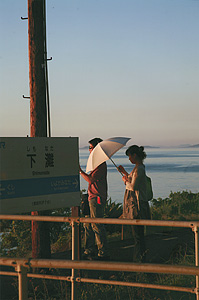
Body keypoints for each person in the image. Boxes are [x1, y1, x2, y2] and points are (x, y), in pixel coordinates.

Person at [118, 145, 151, 262]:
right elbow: (133, 181)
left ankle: (139, 259)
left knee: (138, 235)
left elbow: (133, 186)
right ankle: (140, 258)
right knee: (138, 235)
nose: (129, 159)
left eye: (130, 156)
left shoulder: (139, 168)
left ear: (135, 155)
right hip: (136, 204)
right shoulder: (138, 167)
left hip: (137, 206)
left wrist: (125, 180)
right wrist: (124, 173)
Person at [79, 138, 109, 260]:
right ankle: (89, 249)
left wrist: (80, 171)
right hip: (92, 196)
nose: (89, 150)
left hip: (97, 197)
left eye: (91, 147)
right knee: (88, 225)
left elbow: (91, 180)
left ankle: (102, 252)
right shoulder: (97, 164)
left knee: (96, 225)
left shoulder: (101, 164)